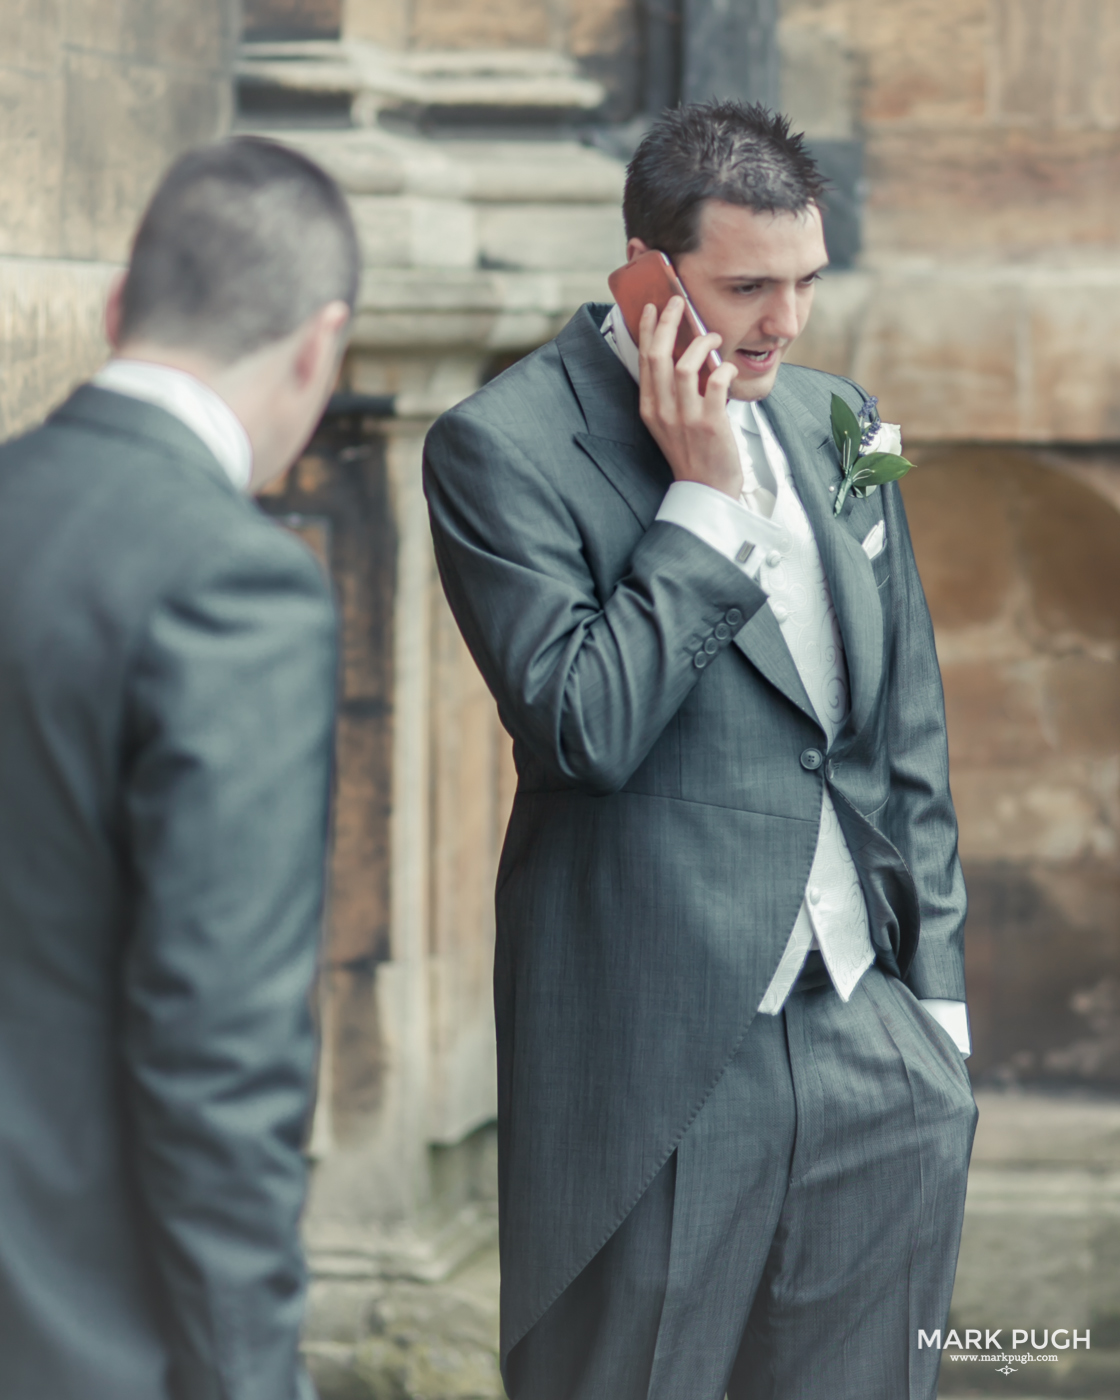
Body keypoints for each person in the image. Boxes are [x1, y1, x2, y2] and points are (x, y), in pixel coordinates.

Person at [423, 103, 977, 1400]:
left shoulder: (851, 419)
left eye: (806, 285)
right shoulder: (499, 449)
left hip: (873, 1043)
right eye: (747, 290)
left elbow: (908, 730)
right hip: (657, 1068)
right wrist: (704, 501)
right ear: (646, 274)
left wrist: (937, 1020)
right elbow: (583, 730)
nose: (784, 325)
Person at [0, 137, 359, 1399]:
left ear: (114, 310)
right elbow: (219, 1050)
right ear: (319, 346)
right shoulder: (236, 585)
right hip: (82, 1336)